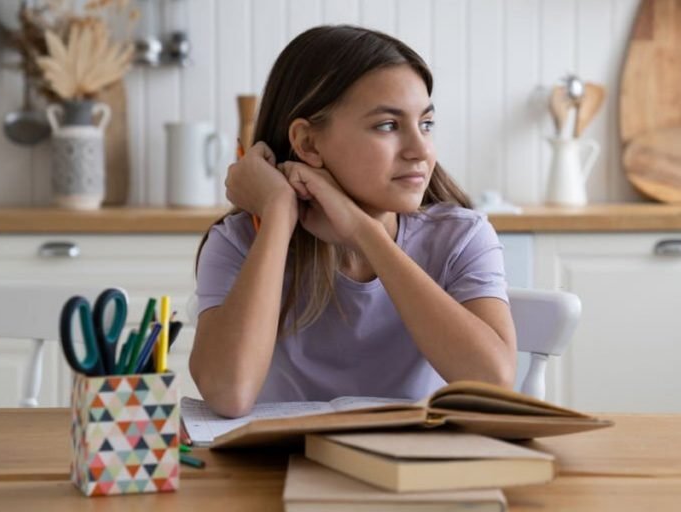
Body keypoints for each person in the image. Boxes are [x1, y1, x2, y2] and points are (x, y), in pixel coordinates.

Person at [190, 25, 516, 418]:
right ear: (308, 143)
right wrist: (278, 211)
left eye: (426, 124)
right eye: (388, 126)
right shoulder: (240, 242)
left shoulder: (461, 236)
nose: (420, 151)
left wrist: (364, 233)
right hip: (280, 472)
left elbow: (493, 382)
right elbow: (229, 394)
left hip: (415, 473)